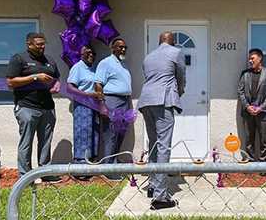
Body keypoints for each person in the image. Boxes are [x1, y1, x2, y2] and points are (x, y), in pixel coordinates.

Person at [137, 31, 186, 210]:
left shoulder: (148, 57)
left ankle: (152, 185)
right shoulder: (176, 52)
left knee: (153, 144)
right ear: (172, 41)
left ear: (159, 41)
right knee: (164, 145)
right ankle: (160, 198)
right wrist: (180, 92)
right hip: (163, 100)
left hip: (146, 101)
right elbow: (180, 76)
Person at [6, 32, 61, 182]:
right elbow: (10, 82)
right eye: (39, 44)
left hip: (48, 107)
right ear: (29, 44)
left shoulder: (49, 61)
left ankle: (45, 173)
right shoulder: (19, 59)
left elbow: (56, 80)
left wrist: (56, 87)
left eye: (44, 44)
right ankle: (25, 177)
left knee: (45, 142)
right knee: (26, 142)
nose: (42, 47)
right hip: (27, 106)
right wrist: (35, 77)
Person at [94, 38, 132, 180]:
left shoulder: (123, 64)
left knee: (120, 134)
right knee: (110, 134)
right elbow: (98, 84)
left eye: (125, 47)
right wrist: (102, 105)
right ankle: (108, 169)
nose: (123, 49)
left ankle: (114, 163)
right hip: (112, 100)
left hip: (124, 101)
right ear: (113, 48)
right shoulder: (106, 63)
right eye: (120, 47)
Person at [237, 48, 266, 170]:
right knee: (249, 140)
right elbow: (240, 91)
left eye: (252, 58)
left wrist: (261, 108)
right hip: (248, 112)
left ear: (260, 58)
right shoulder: (245, 74)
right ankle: (250, 165)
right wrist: (247, 106)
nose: (250, 61)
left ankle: (263, 167)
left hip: (263, 113)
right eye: (249, 58)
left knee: (264, 140)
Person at [67, 45, 101, 179]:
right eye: (88, 52)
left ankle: (91, 164)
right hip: (82, 104)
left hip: (94, 105)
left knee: (94, 133)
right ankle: (80, 167)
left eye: (93, 53)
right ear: (81, 54)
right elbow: (69, 87)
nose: (91, 55)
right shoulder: (78, 67)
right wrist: (87, 94)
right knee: (83, 132)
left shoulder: (93, 69)